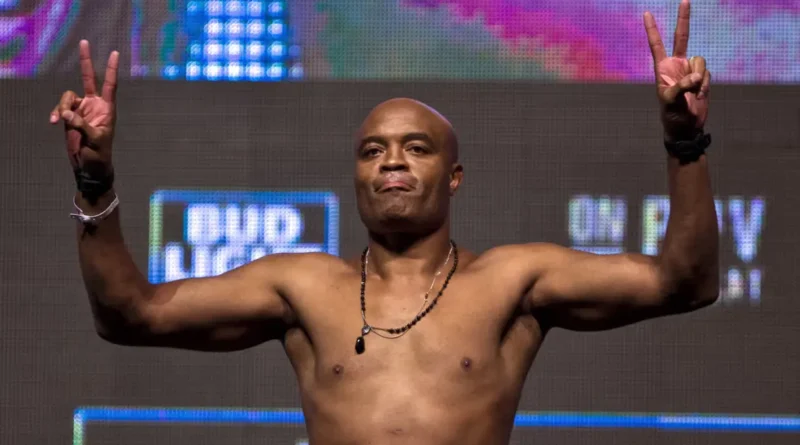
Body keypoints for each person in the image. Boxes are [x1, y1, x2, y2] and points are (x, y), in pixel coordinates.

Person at [51, 1, 718, 444]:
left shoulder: (512, 280)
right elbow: (129, 313)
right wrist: (95, 179)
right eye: (373, 150)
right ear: (356, 176)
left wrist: (683, 143)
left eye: (416, 148)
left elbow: (683, 282)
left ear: (454, 176)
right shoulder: (304, 287)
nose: (391, 161)